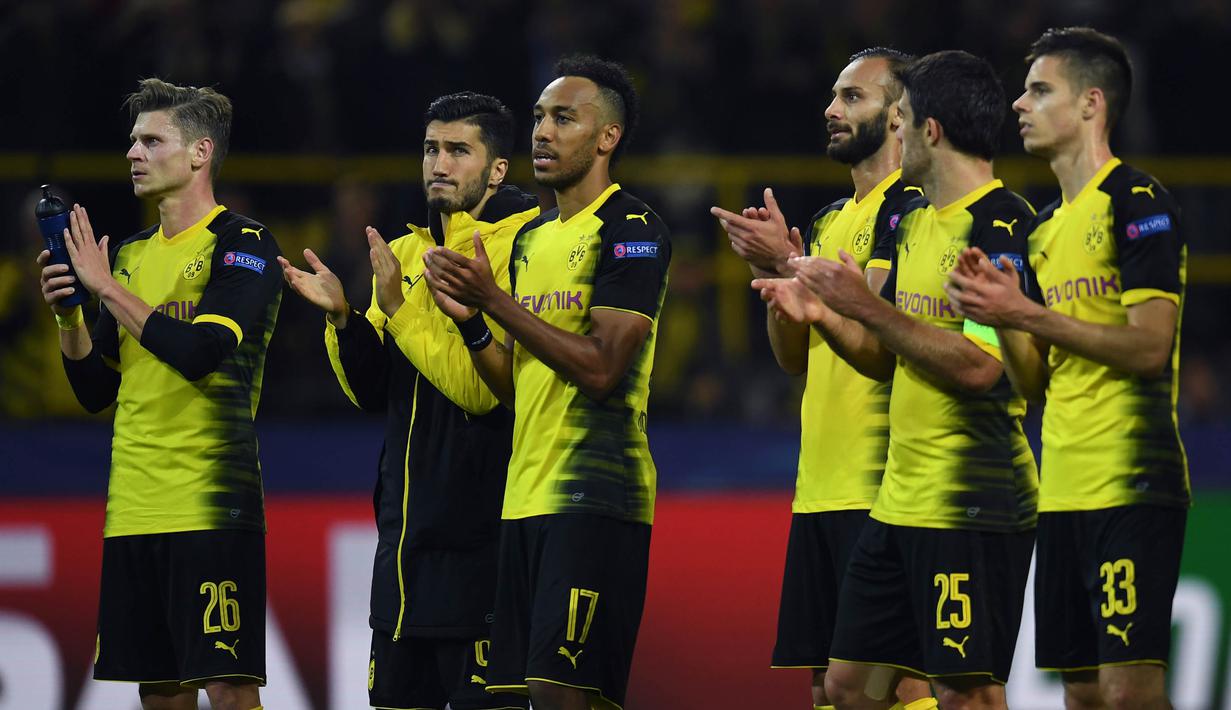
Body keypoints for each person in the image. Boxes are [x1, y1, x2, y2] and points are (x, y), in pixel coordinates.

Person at [754, 51, 1038, 710]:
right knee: (847, 685)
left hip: (971, 495)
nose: (895, 133)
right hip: (899, 499)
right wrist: (821, 313)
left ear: (928, 130)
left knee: (966, 694)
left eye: (901, 118)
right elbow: (881, 354)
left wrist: (864, 307)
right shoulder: (912, 224)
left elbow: (981, 365)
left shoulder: (1002, 223)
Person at [945, 27, 1188, 710]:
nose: (1019, 105)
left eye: (1038, 90)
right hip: (1061, 492)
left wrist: (1025, 313)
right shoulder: (1042, 229)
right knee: (1081, 694)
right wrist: (997, 313)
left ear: (1089, 103)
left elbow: (1149, 347)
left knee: (1128, 691)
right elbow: (1033, 383)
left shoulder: (1137, 203)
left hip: (1131, 482)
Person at [421, 55, 670, 710]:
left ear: (607, 136)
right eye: (538, 118)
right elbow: (515, 385)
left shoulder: (631, 230)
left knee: (560, 690)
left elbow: (601, 369)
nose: (542, 132)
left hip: (596, 497)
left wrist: (495, 303)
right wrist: (474, 326)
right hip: (524, 497)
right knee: (528, 694)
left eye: (563, 118)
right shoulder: (531, 237)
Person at [279, 91, 537, 710]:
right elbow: (370, 392)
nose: (439, 164)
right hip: (402, 550)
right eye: (430, 149)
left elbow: (482, 392)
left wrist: (396, 308)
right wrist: (343, 320)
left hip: (484, 543)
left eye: (458, 151)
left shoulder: (522, 248)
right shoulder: (402, 254)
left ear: (497, 169)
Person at [38, 78, 282, 710]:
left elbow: (202, 353)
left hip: (212, 505)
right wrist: (69, 314)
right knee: (162, 695)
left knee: (229, 690)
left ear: (200, 153)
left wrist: (106, 290)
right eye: (132, 141)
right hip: (133, 507)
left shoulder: (243, 243)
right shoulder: (127, 255)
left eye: (151, 141)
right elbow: (95, 390)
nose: (132, 154)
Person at [711, 47, 932, 710]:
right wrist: (778, 279)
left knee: (898, 681)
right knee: (826, 688)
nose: (831, 109)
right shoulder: (832, 220)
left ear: (898, 117)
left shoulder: (912, 208)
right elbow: (794, 357)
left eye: (852, 97)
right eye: (834, 96)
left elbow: (880, 337)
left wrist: (792, 265)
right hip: (819, 486)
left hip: (881, 481)